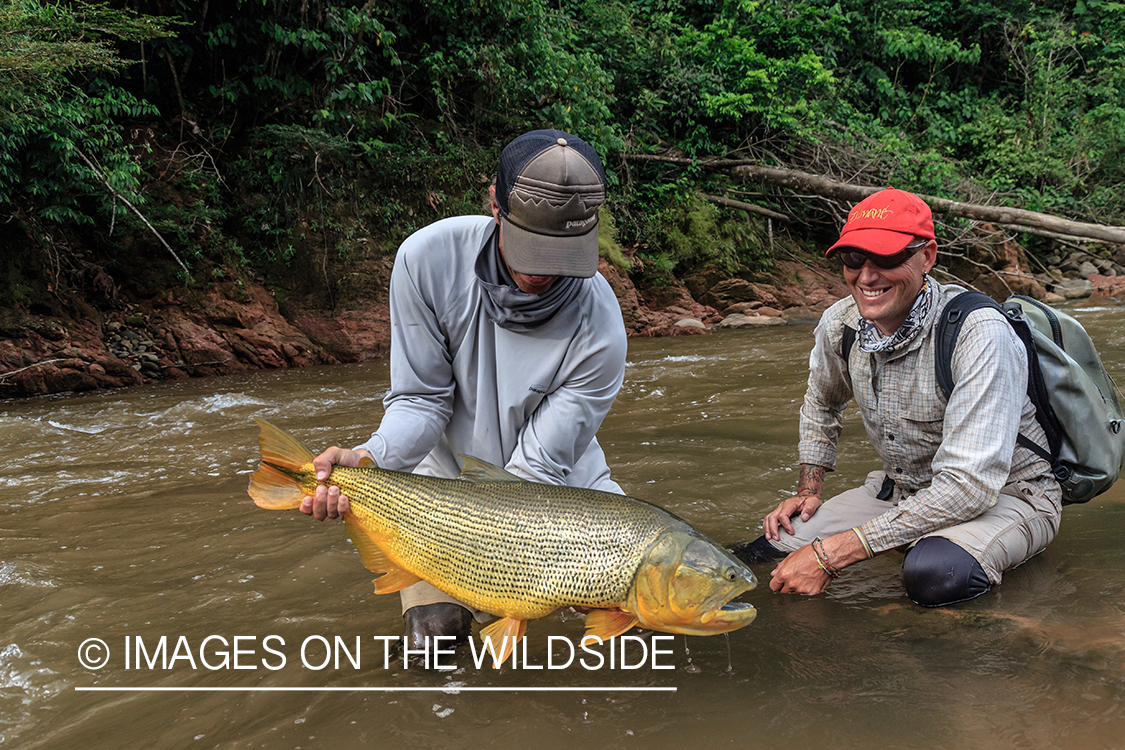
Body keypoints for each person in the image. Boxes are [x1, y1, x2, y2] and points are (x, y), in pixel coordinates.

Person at [299, 129, 628, 650]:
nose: (544, 270)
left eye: (560, 253)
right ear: (495, 204)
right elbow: (421, 400)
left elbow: (537, 469)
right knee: (435, 643)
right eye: (533, 247)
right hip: (443, 491)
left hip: (564, 496)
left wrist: (534, 578)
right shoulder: (427, 261)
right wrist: (371, 457)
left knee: (648, 629)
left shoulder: (602, 325)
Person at [731, 187, 1062, 606]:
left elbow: (969, 487)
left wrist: (833, 553)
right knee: (761, 556)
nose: (867, 277)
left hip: (1008, 496)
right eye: (854, 259)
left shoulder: (979, 333)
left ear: (927, 257)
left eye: (887, 258)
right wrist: (809, 489)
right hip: (902, 492)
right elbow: (822, 403)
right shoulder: (841, 325)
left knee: (934, 575)